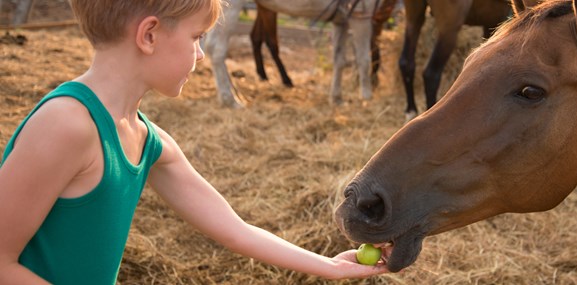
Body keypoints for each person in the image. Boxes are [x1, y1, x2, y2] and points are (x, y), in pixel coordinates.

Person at [0, 0, 389, 284]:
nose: (202, 55)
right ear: (149, 35)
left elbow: (235, 230)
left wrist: (332, 267)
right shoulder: (66, 124)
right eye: (196, 37)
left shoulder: (147, 139)